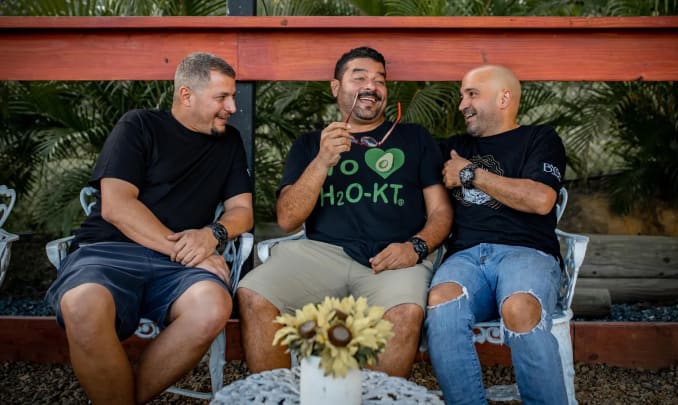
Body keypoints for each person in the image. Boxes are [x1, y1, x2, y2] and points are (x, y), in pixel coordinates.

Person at [45, 52, 253, 404]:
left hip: (179, 268)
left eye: (232, 96)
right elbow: (117, 206)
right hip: (109, 252)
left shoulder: (228, 142)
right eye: (222, 97)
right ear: (186, 95)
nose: (232, 107)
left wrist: (211, 236)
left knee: (212, 307)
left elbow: (241, 211)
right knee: (81, 305)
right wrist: (187, 251)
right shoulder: (138, 126)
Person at [237, 46, 452, 378]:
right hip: (321, 253)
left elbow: (440, 211)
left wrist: (416, 247)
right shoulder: (311, 143)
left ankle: (377, 399)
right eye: (360, 77)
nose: (371, 87)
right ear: (336, 87)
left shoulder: (415, 139)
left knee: (405, 313)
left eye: (379, 80)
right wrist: (322, 161)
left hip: (393, 257)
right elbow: (287, 219)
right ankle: (278, 396)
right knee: (254, 294)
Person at [425, 65, 567, 404]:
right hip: (465, 258)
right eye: (462, 96)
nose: (462, 104)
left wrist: (470, 174)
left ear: (504, 98)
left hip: (527, 253)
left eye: (472, 94)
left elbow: (541, 200)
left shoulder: (540, 139)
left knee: (520, 307)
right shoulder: (453, 146)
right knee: (442, 302)